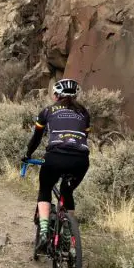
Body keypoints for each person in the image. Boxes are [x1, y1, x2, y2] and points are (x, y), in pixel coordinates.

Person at [22, 78, 91, 254]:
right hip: (80, 160)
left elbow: (36, 138)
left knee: (45, 188)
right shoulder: (84, 113)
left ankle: (44, 232)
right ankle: (68, 235)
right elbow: (84, 137)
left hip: (55, 157)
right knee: (67, 191)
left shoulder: (47, 111)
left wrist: (27, 155)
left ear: (56, 95)